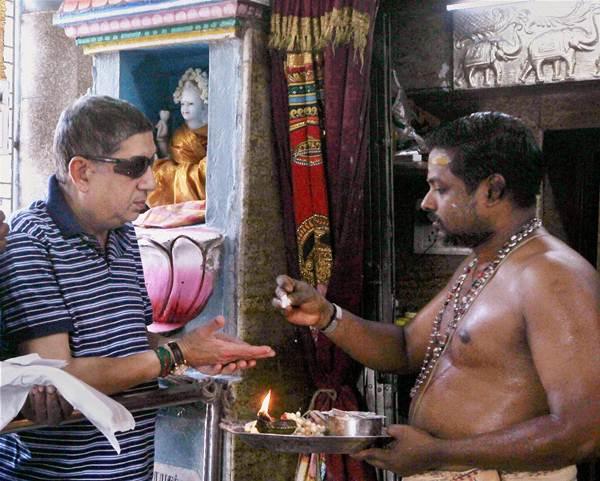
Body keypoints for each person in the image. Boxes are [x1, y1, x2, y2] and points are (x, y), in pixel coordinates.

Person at [274, 112, 600, 481]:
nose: (427, 202)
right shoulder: (483, 264)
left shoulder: (553, 277)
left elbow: (584, 431)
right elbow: (404, 348)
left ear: (492, 190)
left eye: (441, 188)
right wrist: (327, 316)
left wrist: (438, 452)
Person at [0, 95, 275, 481]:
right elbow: (58, 376)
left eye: (150, 163)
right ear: (81, 172)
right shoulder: (30, 242)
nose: (152, 180)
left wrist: (192, 353)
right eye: (136, 167)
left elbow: (129, 341)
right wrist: (175, 355)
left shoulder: (124, 233)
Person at [148, 67, 209, 207]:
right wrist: (161, 140)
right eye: (182, 104)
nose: (185, 108)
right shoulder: (180, 136)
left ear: (203, 105)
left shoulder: (213, 128)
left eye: (191, 104)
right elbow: (174, 161)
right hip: (186, 177)